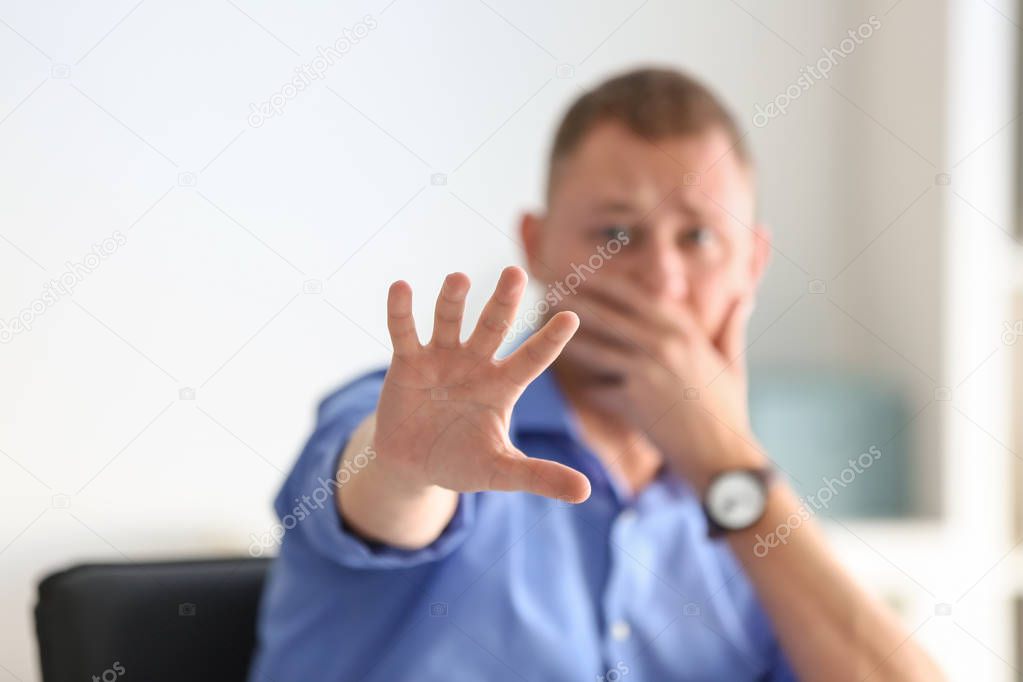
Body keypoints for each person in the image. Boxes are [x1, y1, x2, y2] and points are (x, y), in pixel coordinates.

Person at [248, 67, 942, 681]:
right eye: (615, 234)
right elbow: (387, 490)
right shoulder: (423, 415)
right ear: (537, 245)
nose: (661, 277)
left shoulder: (739, 498)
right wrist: (405, 469)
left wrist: (729, 467)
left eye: (698, 236)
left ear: (751, 264)